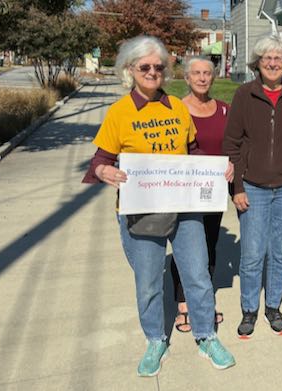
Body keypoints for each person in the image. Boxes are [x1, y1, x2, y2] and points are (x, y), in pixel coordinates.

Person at [81, 36, 235, 376]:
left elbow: (192, 150)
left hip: (184, 206)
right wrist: (105, 170)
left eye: (158, 66)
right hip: (141, 211)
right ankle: (155, 339)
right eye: (145, 66)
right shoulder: (119, 112)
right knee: (149, 281)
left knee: (197, 274)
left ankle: (206, 335)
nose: (152, 72)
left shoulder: (178, 107)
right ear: (130, 70)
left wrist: (214, 169)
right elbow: (100, 160)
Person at [222, 35, 282, 339]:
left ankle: (273, 307)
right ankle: (250, 309)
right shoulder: (244, 95)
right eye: (267, 58)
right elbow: (232, 143)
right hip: (253, 186)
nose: (273, 63)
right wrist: (237, 187)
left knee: (280, 252)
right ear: (257, 64)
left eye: (279, 58)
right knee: (251, 253)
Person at [171, 56, 229, 333]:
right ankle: (183, 304)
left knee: (208, 247)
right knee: (185, 247)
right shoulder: (173, 109)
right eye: (197, 73)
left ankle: (203, 301)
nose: (203, 78)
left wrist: (233, 166)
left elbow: (234, 147)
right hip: (183, 191)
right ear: (187, 78)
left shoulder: (225, 111)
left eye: (207, 73)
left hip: (212, 192)